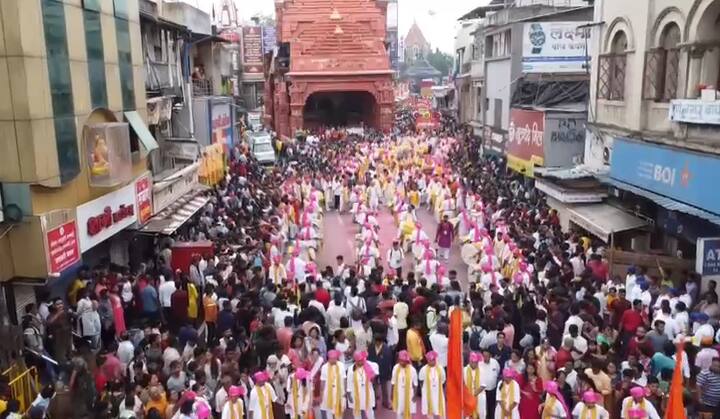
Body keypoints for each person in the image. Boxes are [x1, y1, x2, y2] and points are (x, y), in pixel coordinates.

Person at [346, 351, 377, 419]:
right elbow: (349, 382)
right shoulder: (351, 368)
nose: (360, 363)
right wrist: (349, 395)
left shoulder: (369, 366)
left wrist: (370, 373)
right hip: (355, 394)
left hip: (367, 393)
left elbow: (373, 381)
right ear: (356, 360)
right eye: (358, 361)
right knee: (356, 412)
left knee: (369, 411)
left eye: (361, 360)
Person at [419, 351, 446, 419]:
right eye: (429, 360)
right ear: (427, 360)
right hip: (428, 393)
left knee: (440, 408)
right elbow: (421, 380)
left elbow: (443, 379)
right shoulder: (423, 369)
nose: (431, 362)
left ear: (435, 360)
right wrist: (424, 390)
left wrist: (436, 386)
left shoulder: (440, 368)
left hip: (438, 392)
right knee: (429, 409)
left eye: (433, 360)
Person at [391, 350, 417, 419]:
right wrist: (392, 394)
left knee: (409, 411)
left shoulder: (412, 370)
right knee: (399, 412)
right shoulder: (395, 368)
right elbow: (393, 382)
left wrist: (415, 395)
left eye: (403, 361)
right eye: (400, 360)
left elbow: (415, 384)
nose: (401, 362)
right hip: (398, 393)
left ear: (407, 361)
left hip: (409, 394)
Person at [320, 350, 346, 419]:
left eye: (334, 358)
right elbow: (323, 382)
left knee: (339, 413)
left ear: (337, 358)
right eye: (331, 358)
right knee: (329, 413)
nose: (333, 360)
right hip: (328, 393)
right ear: (328, 358)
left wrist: (345, 392)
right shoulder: (324, 367)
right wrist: (321, 394)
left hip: (340, 392)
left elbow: (344, 379)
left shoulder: (341, 365)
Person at [465, 352, 488, 419]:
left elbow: (483, 385)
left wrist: (474, 394)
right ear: (469, 361)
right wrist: (469, 395)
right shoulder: (465, 370)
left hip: (480, 395)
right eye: (472, 362)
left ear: (478, 363)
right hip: (468, 396)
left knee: (481, 414)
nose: (473, 364)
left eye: (475, 362)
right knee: (469, 415)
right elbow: (462, 384)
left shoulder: (482, 370)